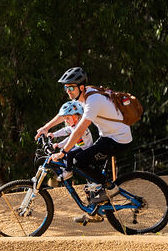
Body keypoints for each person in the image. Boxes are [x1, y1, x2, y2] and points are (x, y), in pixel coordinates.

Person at [35, 66, 132, 206]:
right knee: (89, 168)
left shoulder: (93, 101)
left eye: (71, 88)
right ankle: (96, 206)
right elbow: (66, 113)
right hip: (108, 136)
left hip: (119, 139)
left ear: (81, 87)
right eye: (66, 88)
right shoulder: (85, 94)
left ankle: (111, 189)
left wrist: (63, 152)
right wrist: (45, 128)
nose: (68, 91)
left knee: (79, 161)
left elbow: (79, 131)